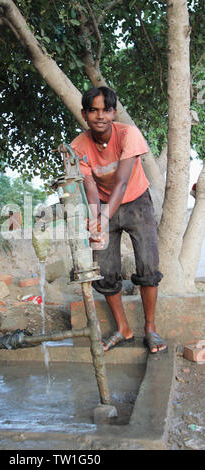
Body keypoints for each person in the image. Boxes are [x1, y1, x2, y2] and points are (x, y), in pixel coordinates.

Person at [70, 86, 167, 354]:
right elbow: (89, 185)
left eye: (106, 110)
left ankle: (150, 328)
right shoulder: (78, 146)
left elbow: (122, 182)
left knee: (148, 265)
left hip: (137, 201)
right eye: (93, 110)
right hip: (102, 205)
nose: (100, 116)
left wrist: (101, 216)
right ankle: (123, 328)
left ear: (113, 112)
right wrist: (95, 220)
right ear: (84, 114)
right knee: (104, 268)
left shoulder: (128, 134)